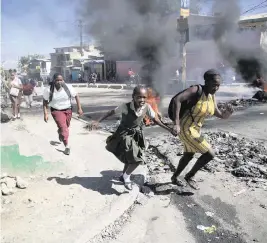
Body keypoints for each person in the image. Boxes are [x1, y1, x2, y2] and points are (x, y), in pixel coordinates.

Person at [91, 86, 177, 190]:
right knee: (137, 159)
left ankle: (123, 176)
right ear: (133, 97)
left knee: (130, 158)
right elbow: (110, 113)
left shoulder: (147, 107)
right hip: (125, 134)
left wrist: (169, 129)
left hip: (137, 135)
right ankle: (127, 177)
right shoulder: (125, 106)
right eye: (139, 97)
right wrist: (97, 121)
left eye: (144, 97)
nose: (142, 100)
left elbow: (156, 120)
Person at [171, 69, 233, 190]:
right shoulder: (196, 90)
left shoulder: (211, 95)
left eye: (218, 85)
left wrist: (227, 114)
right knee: (210, 153)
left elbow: (217, 112)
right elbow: (176, 100)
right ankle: (190, 176)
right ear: (207, 81)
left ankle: (174, 177)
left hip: (196, 129)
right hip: (185, 128)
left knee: (189, 154)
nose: (216, 88)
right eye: (214, 84)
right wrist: (176, 123)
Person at [43, 73, 83, 155]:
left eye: (61, 80)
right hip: (56, 110)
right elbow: (45, 101)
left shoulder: (68, 87)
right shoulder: (48, 89)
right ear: (53, 81)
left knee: (66, 126)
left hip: (68, 110)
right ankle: (67, 147)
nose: (59, 82)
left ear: (63, 80)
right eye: (57, 80)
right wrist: (45, 113)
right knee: (64, 128)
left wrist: (79, 108)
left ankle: (60, 132)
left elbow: (76, 96)